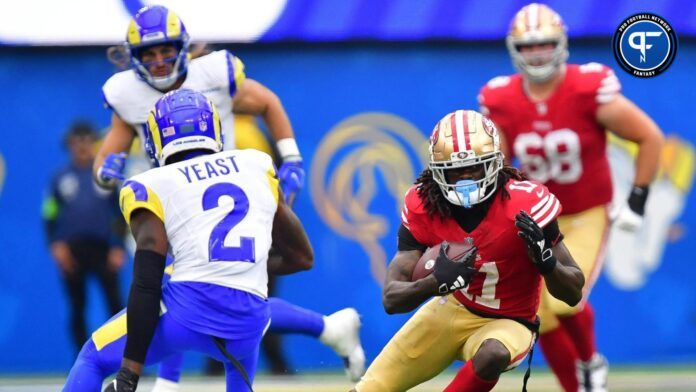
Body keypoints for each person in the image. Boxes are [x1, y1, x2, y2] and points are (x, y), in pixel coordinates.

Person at [94, 5, 365, 387]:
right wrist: (105, 170)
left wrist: (291, 157)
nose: (158, 61)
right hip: (177, 200)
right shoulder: (128, 93)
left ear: (183, 48)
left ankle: (167, 383)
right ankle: (328, 327)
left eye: (165, 50)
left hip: (227, 194)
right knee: (210, 289)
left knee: (199, 287)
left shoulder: (214, 73)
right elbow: (109, 154)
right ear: (134, 58)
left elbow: (267, 102)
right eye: (148, 53)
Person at [63, 89, 314, 392]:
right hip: (249, 322)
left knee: (93, 358)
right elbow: (302, 258)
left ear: (157, 138)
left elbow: (146, 283)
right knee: (239, 371)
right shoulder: (256, 165)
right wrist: (240, 269)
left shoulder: (150, 185)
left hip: (189, 314)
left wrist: (129, 375)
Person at [478, 4, 664, 391]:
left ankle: (591, 362)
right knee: (537, 313)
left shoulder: (587, 87)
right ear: (515, 49)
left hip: (585, 213)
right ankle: (578, 385)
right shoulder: (502, 98)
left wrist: (637, 201)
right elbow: (498, 168)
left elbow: (649, 136)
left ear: (561, 44)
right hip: (537, 218)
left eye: (545, 43)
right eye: (529, 46)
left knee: (563, 297)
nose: (538, 53)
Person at [353, 110, 585, 392]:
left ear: (495, 164)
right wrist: (436, 282)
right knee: (369, 389)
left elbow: (573, 293)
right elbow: (392, 298)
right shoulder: (423, 205)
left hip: (510, 322)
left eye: (475, 167)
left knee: (492, 355)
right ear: (437, 171)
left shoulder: (527, 203)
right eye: (454, 170)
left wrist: (547, 263)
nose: (466, 178)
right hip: (453, 308)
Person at [42, 121, 126, 355]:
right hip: (72, 251)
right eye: (76, 141)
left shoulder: (106, 177)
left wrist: (118, 247)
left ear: (95, 143)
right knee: (77, 307)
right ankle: (82, 363)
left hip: (103, 249)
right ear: (69, 144)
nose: (82, 146)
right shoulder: (59, 179)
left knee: (116, 307)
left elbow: (121, 213)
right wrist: (56, 245)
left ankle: (124, 361)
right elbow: (49, 214)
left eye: (87, 140)